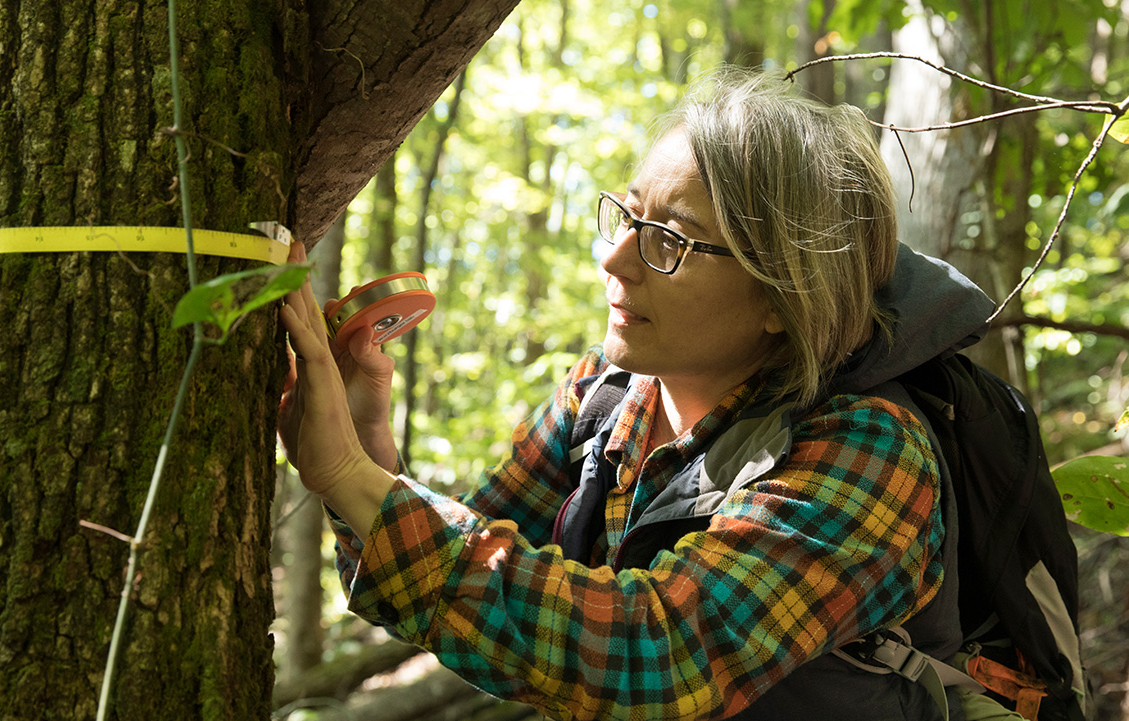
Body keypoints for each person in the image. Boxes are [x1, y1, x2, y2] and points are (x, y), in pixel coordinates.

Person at [278, 67, 997, 720]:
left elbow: (657, 655)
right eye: (626, 217)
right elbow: (468, 580)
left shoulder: (870, 451)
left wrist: (349, 474)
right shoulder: (607, 392)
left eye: (670, 240)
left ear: (783, 295)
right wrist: (368, 458)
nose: (615, 258)